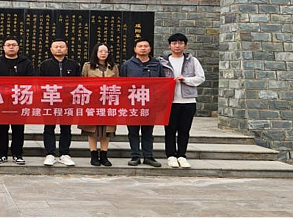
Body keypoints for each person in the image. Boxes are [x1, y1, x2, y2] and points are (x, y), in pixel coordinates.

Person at [159, 33, 206, 169]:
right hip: (170, 102)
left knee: (184, 130)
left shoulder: (192, 61)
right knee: (170, 130)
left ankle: (182, 155)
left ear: (185, 45)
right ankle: (171, 156)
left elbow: (201, 77)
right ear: (170, 46)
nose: (177, 46)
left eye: (180, 43)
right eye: (174, 43)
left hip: (188, 101)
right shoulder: (163, 62)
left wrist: (185, 80)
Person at [0, 37, 35, 165]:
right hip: (0, 101)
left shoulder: (26, 63)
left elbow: (30, 80)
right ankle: (1, 154)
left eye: (14, 45)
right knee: (1, 129)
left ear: (18, 47)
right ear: (3, 47)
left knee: (18, 129)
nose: (11, 47)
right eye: (8, 45)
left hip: (19, 101)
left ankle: (17, 154)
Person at [120, 38, 165, 168]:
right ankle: (135, 156)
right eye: (140, 46)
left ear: (150, 49)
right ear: (135, 49)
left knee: (148, 132)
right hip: (132, 104)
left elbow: (162, 83)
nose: (143, 48)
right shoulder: (127, 65)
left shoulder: (156, 64)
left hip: (150, 104)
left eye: (146, 46)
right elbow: (122, 85)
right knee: (133, 131)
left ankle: (148, 156)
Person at [38, 39, 81, 167]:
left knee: (66, 128)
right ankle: (50, 153)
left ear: (66, 49)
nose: (59, 49)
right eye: (56, 47)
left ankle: (64, 154)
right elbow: (40, 84)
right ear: (51, 50)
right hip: (50, 101)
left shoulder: (74, 65)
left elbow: (78, 83)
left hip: (68, 102)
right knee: (49, 127)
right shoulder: (45, 65)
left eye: (62, 47)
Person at [79, 43, 118, 167]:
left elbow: (119, 84)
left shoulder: (114, 67)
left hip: (109, 103)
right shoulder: (87, 66)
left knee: (107, 130)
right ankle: (94, 155)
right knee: (92, 130)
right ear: (95, 52)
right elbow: (82, 83)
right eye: (100, 51)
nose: (103, 54)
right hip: (92, 102)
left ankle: (104, 155)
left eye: (105, 51)